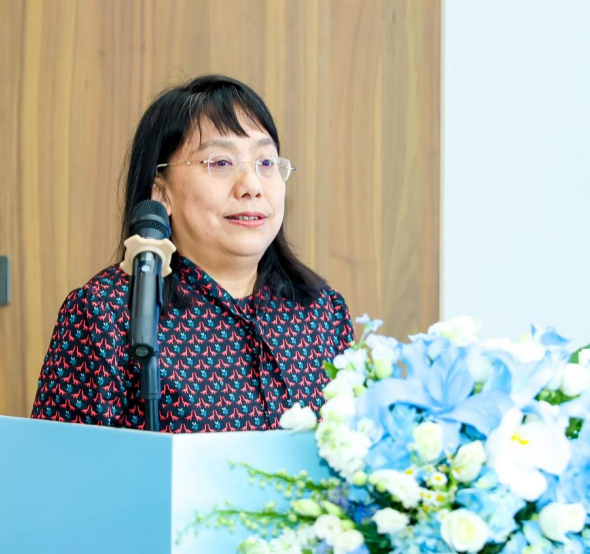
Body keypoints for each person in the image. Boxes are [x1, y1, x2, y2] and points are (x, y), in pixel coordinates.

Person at [30, 75, 354, 433]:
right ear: (161, 192)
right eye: (221, 162)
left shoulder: (324, 312)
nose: (251, 186)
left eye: (265, 163)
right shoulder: (106, 312)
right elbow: (59, 464)